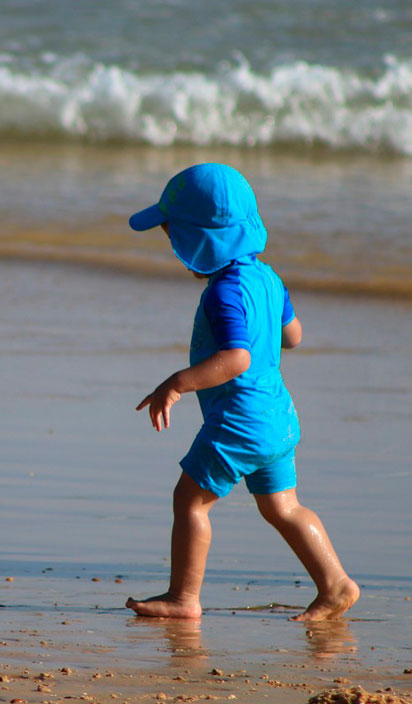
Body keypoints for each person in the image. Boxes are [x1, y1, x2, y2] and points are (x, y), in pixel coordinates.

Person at [125, 163, 359, 621]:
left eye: (173, 235)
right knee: (284, 508)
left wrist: (177, 383)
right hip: (279, 418)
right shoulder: (268, 279)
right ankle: (335, 584)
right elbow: (293, 336)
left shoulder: (223, 293)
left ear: (196, 240)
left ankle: (184, 598)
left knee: (189, 501)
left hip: (240, 422)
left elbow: (237, 360)